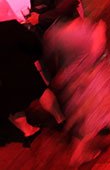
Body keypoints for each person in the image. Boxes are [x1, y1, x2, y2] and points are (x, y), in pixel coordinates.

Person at [42, 18, 110, 165]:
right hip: (91, 80)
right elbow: (95, 53)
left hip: (72, 80)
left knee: (80, 117)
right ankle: (80, 153)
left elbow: (52, 59)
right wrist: (100, 29)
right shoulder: (83, 31)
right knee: (92, 117)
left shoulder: (53, 34)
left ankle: (79, 150)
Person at [0, 18, 64, 147]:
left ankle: (28, 132)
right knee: (41, 91)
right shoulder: (10, 26)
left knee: (14, 106)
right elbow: (32, 42)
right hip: (23, 69)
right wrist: (35, 55)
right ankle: (60, 119)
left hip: (3, 81)